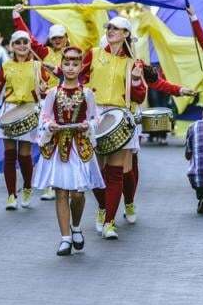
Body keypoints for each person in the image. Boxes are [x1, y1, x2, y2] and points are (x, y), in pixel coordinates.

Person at [76, 15, 194, 239]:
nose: (110, 30)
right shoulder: (93, 54)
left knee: (119, 170)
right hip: (96, 116)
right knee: (96, 172)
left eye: (116, 28)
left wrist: (172, 88)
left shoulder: (135, 63)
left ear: (126, 34)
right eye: (109, 27)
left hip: (123, 115)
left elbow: (146, 91)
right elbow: (76, 78)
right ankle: (103, 207)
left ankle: (112, 219)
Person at [34, 46, 104, 256]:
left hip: (79, 145)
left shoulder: (88, 93)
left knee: (79, 192)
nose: (71, 68)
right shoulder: (53, 93)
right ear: (61, 66)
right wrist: (49, 126)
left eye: (75, 64)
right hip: (58, 146)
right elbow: (44, 117)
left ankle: (76, 226)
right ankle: (65, 238)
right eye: (67, 64)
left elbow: (95, 117)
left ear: (81, 67)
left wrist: (88, 126)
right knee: (61, 191)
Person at [0, 30, 50, 210]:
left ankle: (28, 187)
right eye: (18, 42)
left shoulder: (38, 66)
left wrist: (44, 88)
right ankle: (11, 195)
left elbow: (46, 89)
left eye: (25, 41)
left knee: (24, 155)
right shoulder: (7, 65)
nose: (22, 45)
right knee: (9, 155)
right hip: (9, 110)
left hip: (29, 110)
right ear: (12, 46)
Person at [12, 8, 68, 201]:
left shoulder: (74, 54)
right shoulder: (44, 53)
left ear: (66, 37)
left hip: (68, 102)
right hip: (48, 102)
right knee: (47, 141)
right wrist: (17, 17)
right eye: (54, 38)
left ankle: (64, 181)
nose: (57, 41)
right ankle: (50, 184)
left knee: (64, 143)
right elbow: (29, 39)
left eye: (60, 37)